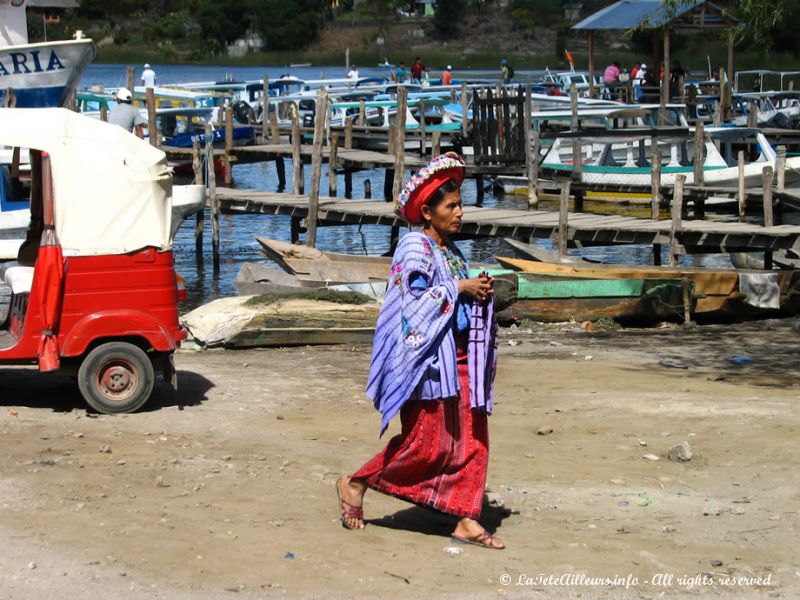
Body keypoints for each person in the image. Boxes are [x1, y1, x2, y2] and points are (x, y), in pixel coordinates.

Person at [336, 152, 504, 550]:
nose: (460, 212)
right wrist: (458, 289)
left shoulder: (449, 249)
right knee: (427, 444)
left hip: (461, 359)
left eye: (460, 204)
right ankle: (356, 482)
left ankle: (465, 517)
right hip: (428, 364)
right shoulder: (414, 247)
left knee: (473, 439)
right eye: (452, 206)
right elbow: (412, 307)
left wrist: (477, 291)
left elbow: (451, 298)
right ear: (427, 211)